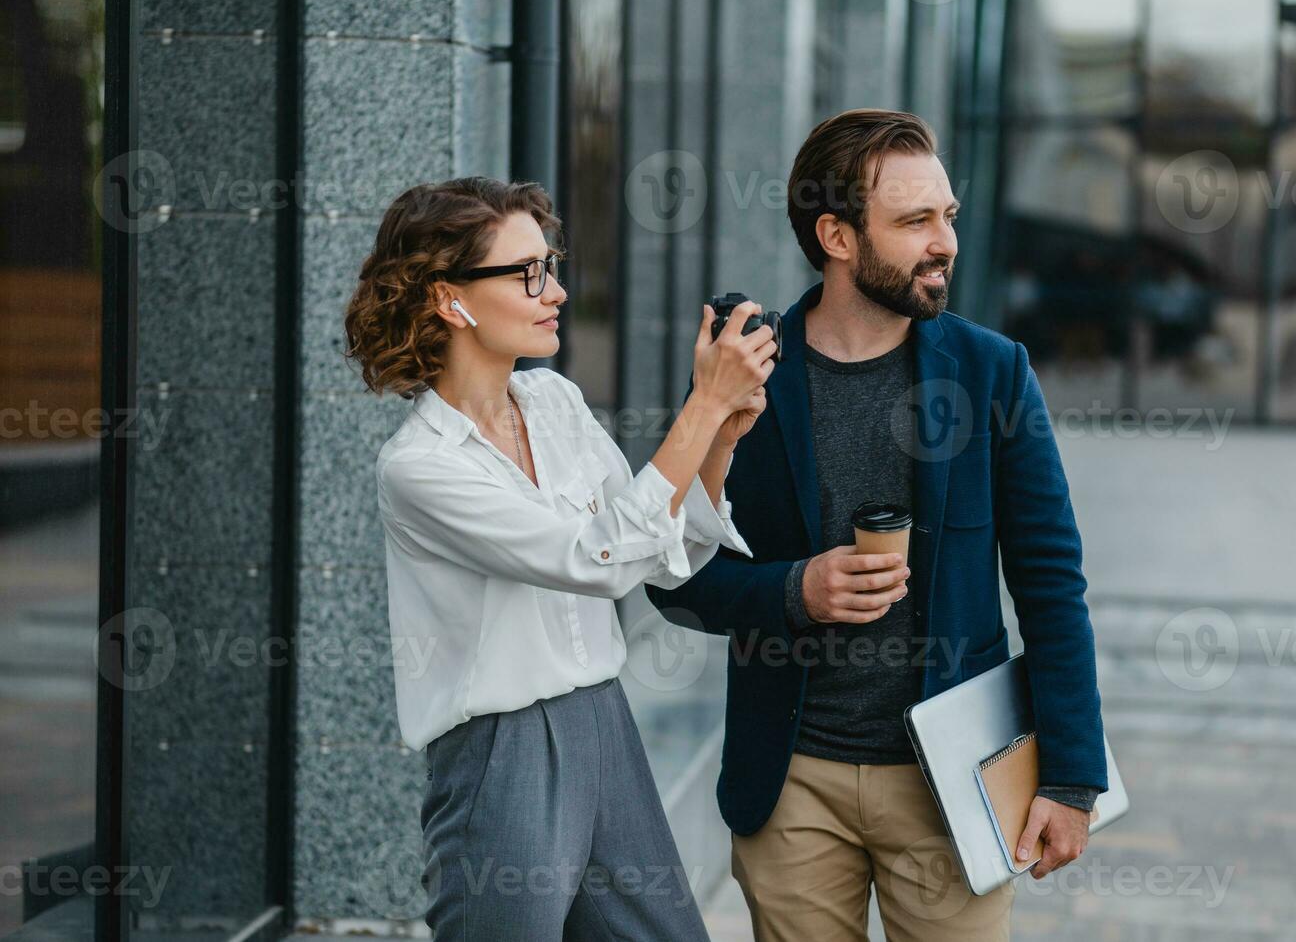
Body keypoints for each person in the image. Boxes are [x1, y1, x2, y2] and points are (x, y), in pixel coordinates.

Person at [646, 109, 1108, 941]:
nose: (945, 242)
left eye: (949, 216)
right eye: (914, 221)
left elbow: (1050, 580)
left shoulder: (993, 371)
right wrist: (797, 590)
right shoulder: (748, 372)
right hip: (791, 785)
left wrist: (1072, 775)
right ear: (838, 236)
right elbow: (675, 582)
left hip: (956, 782)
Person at [342, 176, 776, 940]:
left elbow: (664, 558)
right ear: (451, 300)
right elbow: (600, 560)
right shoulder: (419, 468)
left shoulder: (554, 402)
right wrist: (700, 407)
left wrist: (720, 441)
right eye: (528, 273)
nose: (557, 292)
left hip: (603, 724)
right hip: (501, 756)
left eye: (551, 265)